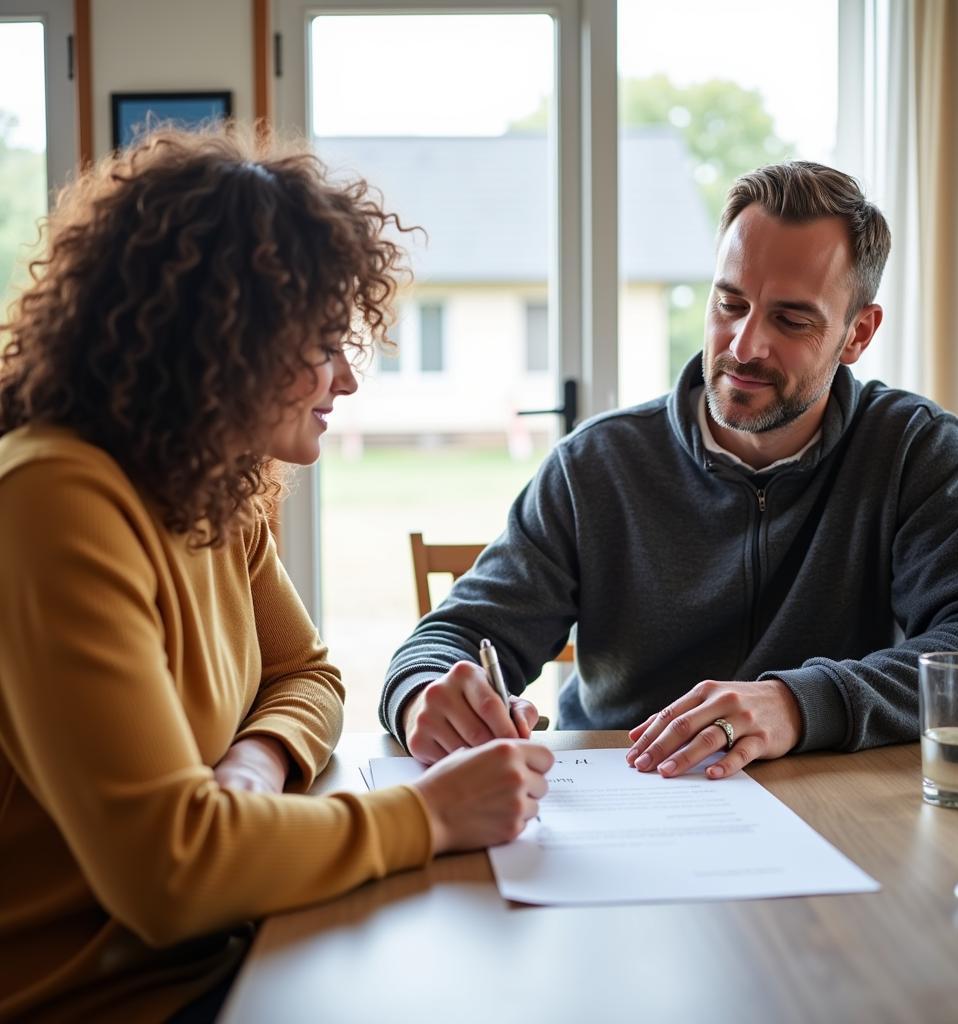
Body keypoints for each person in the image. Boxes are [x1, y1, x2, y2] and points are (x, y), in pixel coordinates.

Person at [0, 127, 554, 1023]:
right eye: (324, 344)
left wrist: (255, 766)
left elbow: (308, 675)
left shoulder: (212, 487)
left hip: (231, 950)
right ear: (222, 340)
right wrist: (437, 815)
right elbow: (170, 874)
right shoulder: (54, 499)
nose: (345, 380)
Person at [382, 160, 958, 781]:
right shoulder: (596, 465)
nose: (745, 346)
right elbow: (455, 636)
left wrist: (799, 705)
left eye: (791, 319)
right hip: (626, 802)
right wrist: (422, 696)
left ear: (858, 333)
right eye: (730, 303)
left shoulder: (911, 449)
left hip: (830, 807)